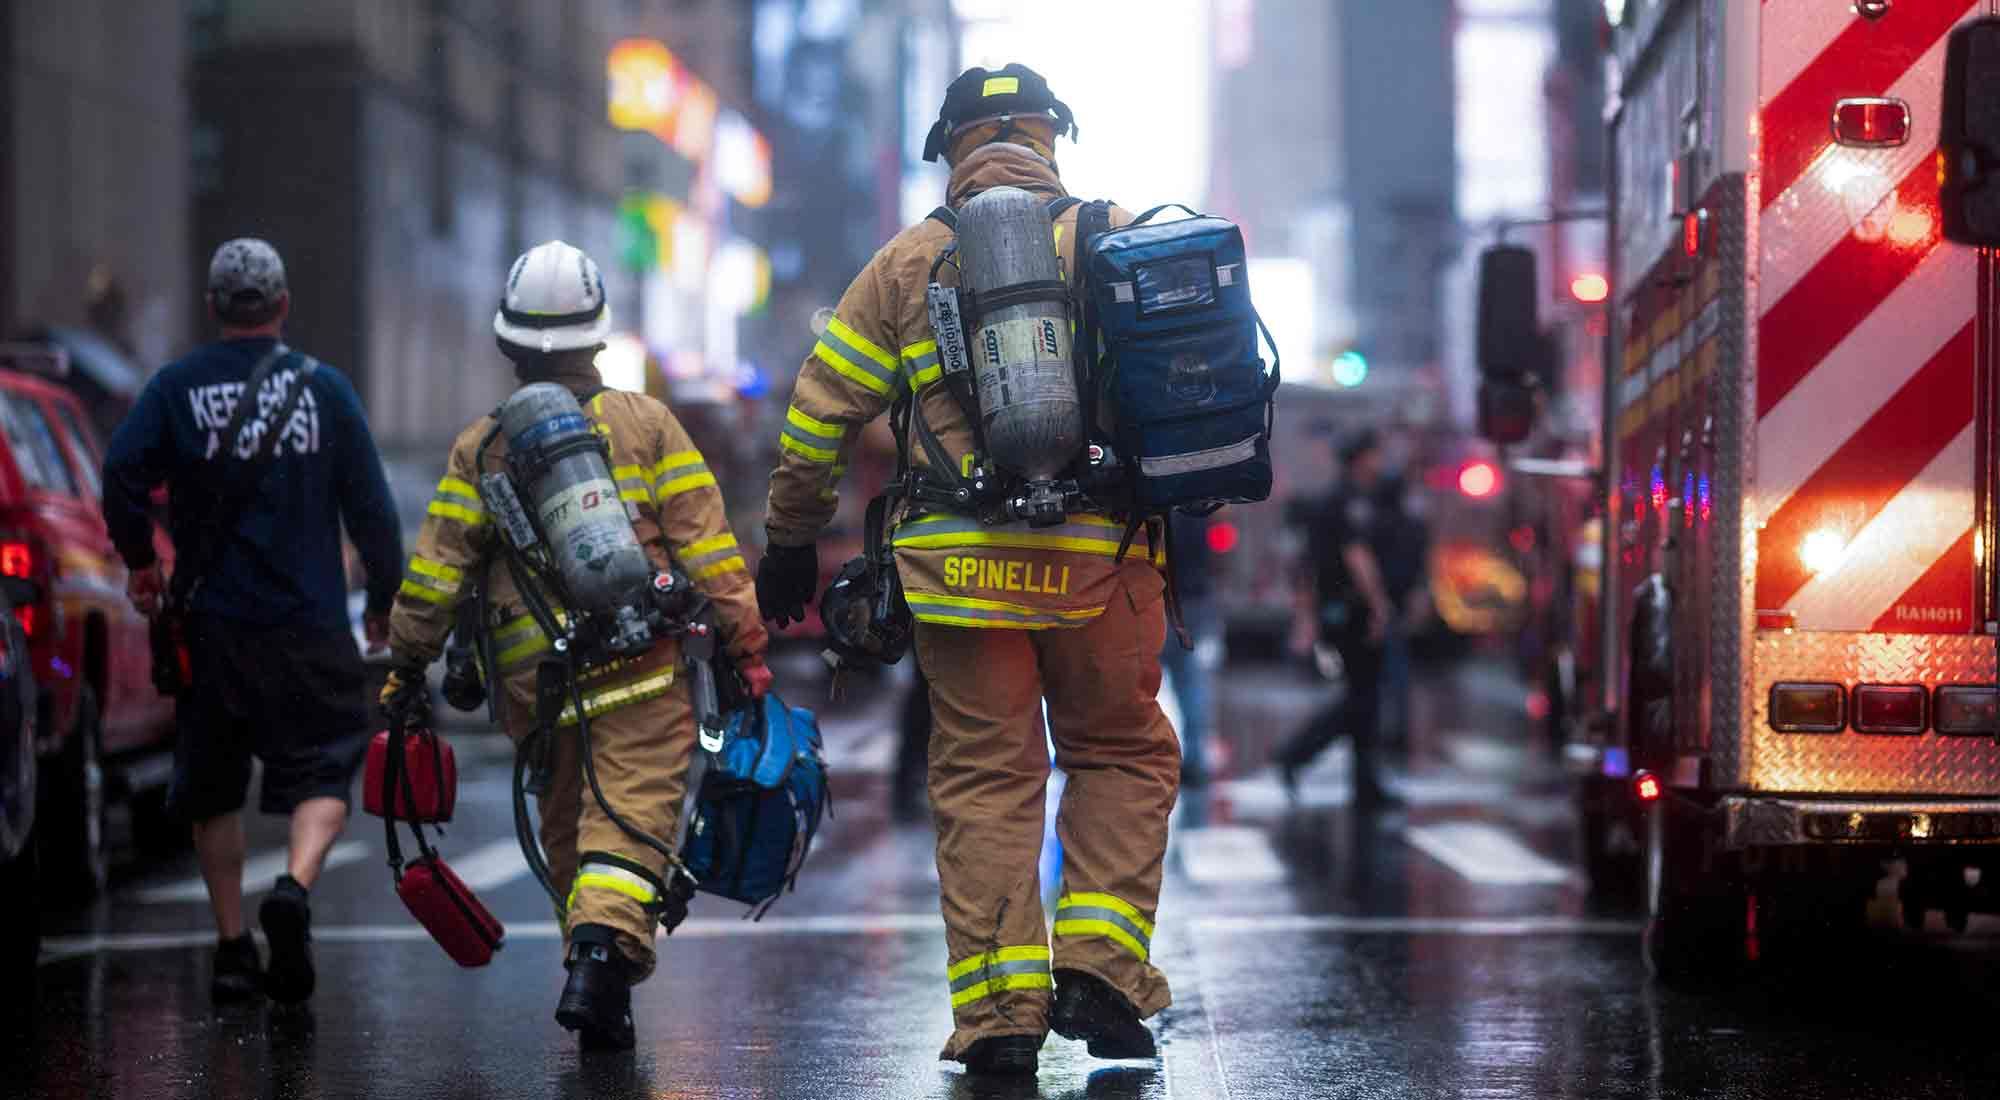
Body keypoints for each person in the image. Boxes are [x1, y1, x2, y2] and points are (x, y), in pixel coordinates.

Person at [756, 64, 1178, 1078]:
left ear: (949, 145)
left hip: (960, 571)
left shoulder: (905, 265)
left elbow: (819, 413)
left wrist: (787, 540)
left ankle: (997, 1011)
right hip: (1101, 563)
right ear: (1049, 135)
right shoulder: (1112, 232)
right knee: (1118, 752)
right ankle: (1103, 972)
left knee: (985, 779)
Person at [380, 241, 770, 1051]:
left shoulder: (482, 446)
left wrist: (405, 667)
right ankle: (597, 963)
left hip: (536, 685)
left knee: (569, 837)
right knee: (626, 826)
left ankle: (604, 986)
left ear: (510, 345)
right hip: (640, 668)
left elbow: (437, 574)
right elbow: (708, 545)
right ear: (598, 339)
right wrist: (747, 642)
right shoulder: (647, 424)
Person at [101, 238, 403, 1005]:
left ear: (213, 308)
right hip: (307, 624)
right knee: (327, 767)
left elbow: (120, 476)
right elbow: (372, 511)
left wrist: (141, 559)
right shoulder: (325, 391)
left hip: (213, 629)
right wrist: (382, 606)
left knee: (212, 790)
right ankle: (295, 889)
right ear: (282, 307)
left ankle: (234, 946)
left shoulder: (175, 389)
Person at [1274, 429, 1401, 807]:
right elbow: (1356, 557)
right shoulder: (1346, 502)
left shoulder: (1350, 499)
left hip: (1342, 611)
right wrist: (1378, 604)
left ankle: (1365, 784)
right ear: (1361, 459)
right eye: (1376, 454)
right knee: (1361, 700)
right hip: (1349, 612)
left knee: (1364, 699)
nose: (1381, 462)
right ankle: (1296, 754)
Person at [1372, 474, 1432, 763]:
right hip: (1397, 605)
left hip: (1377, 607)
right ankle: (1398, 734)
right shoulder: (1414, 526)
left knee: (1380, 674)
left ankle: (1385, 733)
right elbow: (1420, 570)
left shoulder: (1374, 525)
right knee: (1397, 672)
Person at [1160, 513, 1219, 789]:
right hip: (1192, 602)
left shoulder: (1158, 507)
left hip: (1159, 600)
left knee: (1135, 683)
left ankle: (1132, 757)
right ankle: (1194, 758)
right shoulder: (1196, 508)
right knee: (1190, 683)